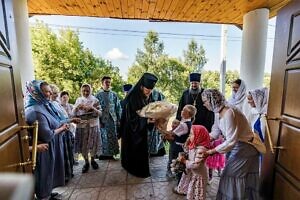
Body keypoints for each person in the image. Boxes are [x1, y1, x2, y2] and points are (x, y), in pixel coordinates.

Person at [200, 89, 260, 199]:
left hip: (246, 147)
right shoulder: (218, 111)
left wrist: (211, 151)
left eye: (205, 101)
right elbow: (216, 130)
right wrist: (203, 140)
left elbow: (231, 140)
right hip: (237, 146)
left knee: (230, 176)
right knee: (233, 177)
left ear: (212, 100)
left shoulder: (229, 112)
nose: (204, 104)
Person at [25, 80, 69, 200]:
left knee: (50, 172)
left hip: (52, 146)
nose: (49, 94)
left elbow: (56, 121)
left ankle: (48, 194)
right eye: (46, 92)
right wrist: (62, 128)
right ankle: (44, 196)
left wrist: (65, 123)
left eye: (50, 91)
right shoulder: (35, 110)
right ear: (35, 92)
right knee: (44, 174)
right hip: (44, 149)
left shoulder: (44, 105)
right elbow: (47, 135)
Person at [120, 72, 158, 178]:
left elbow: (150, 108)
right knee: (133, 150)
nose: (149, 93)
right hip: (130, 130)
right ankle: (132, 168)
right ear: (141, 87)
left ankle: (140, 169)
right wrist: (146, 121)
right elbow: (130, 118)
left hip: (140, 130)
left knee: (141, 149)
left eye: (151, 91)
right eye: (147, 90)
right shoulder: (132, 97)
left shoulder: (147, 95)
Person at [160, 105, 196, 181]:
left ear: (188, 114)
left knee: (172, 159)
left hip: (176, 146)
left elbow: (171, 134)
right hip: (182, 146)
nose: (181, 111)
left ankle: (171, 173)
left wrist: (160, 127)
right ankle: (177, 175)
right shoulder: (188, 122)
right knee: (178, 160)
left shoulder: (183, 125)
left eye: (183, 111)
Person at [174, 125, 211, 200]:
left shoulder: (202, 150)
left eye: (191, 134)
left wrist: (184, 161)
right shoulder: (195, 145)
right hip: (193, 173)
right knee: (191, 192)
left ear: (199, 136)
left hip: (198, 176)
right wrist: (187, 144)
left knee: (197, 193)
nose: (189, 135)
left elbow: (196, 165)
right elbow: (188, 151)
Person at [73, 84, 102, 173]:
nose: (85, 92)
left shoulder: (95, 100)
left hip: (93, 126)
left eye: (87, 91)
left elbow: (100, 113)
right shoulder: (78, 100)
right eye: (84, 91)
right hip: (82, 126)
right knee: (83, 145)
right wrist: (78, 107)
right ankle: (86, 162)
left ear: (91, 91)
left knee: (93, 145)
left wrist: (92, 108)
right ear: (81, 91)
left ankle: (93, 160)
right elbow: (73, 113)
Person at [95, 76, 122, 160]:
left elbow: (118, 107)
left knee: (113, 136)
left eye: (109, 82)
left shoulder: (114, 94)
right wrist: (98, 121)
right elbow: (95, 109)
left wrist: (119, 119)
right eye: (106, 82)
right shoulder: (98, 95)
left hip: (113, 119)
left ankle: (112, 154)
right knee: (104, 137)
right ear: (102, 83)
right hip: (103, 120)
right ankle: (104, 154)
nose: (108, 83)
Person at [148, 89, 166, 157]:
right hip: (146, 120)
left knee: (157, 138)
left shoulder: (158, 93)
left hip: (157, 120)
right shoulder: (140, 93)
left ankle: (156, 152)